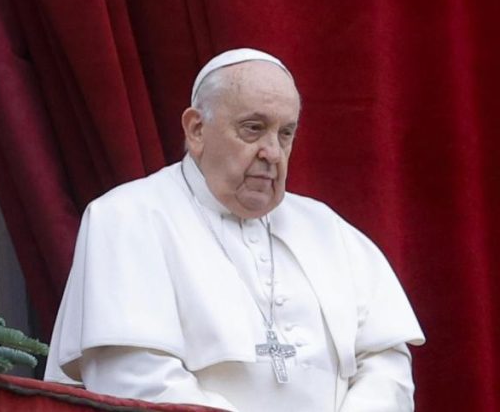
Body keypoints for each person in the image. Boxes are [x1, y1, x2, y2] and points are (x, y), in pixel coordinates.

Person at [44, 48, 425, 411]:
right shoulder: (126, 218)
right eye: (253, 129)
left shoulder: (328, 229)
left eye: (285, 133)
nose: (272, 152)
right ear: (196, 130)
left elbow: (386, 365)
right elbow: (135, 381)